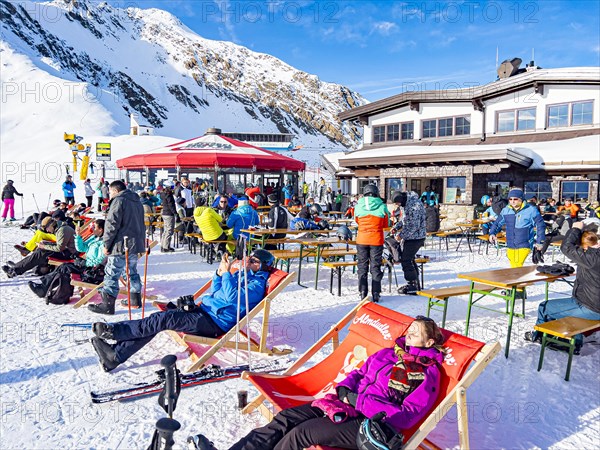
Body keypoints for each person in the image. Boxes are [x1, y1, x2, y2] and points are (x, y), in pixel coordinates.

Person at [193, 316, 445, 450]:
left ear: (429, 342)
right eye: (409, 329)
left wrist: (360, 401)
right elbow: (358, 374)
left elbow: (407, 417)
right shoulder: (387, 354)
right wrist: (346, 389)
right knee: (286, 418)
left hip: (370, 424)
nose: (409, 333)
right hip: (343, 404)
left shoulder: (426, 373)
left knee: (302, 433)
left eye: (416, 332)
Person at [89, 249, 275, 372]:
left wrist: (227, 274)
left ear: (262, 265)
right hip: (205, 311)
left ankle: (115, 332)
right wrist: (219, 273)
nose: (247, 262)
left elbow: (232, 298)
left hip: (213, 323)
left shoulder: (257, 285)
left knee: (164, 319)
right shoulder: (244, 275)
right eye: (248, 258)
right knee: (161, 318)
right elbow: (217, 291)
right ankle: (115, 355)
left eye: (253, 260)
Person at [525, 222, 600, 353]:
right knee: (568, 309)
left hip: (592, 308)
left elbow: (566, 248)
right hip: (593, 304)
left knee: (544, 307)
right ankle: (575, 340)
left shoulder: (592, 258)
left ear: (585, 247)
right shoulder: (593, 256)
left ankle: (539, 336)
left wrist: (576, 228)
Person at [89, 180, 145, 314]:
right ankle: (135, 299)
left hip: (121, 243)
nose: (109, 194)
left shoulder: (119, 200)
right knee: (131, 271)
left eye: (110, 191)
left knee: (112, 273)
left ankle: (107, 305)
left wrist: (106, 244)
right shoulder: (136, 201)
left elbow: (111, 224)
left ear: (115, 190)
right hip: (134, 243)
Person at [28, 219, 106, 297]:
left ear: (100, 229)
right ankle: (44, 287)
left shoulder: (104, 243)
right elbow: (81, 248)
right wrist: (78, 236)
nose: (92, 229)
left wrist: (85, 263)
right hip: (87, 265)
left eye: (94, 227)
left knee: (65, 268)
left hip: (93, 270)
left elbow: (100, 260)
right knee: (64, 267)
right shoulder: (94, 238)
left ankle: (47, 289)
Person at [489, 187, 545, 268]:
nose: (512, 201)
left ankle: (520, 280)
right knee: (514, 268)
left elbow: (540, 225)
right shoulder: (506, 210)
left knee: (517, 266)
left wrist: (540, 242)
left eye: (515, 199)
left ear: (521, 199)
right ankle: (523, 280)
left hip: (524, 244)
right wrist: (492, 233)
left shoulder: (530, 210)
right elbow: (497, 223)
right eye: (510, 199)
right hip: (510, 244)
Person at [2, 217, 76, 278]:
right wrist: (45, 244)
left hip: (69, 254)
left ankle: (16, 269)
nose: (47, 231)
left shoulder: (62, 230)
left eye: (46, 228)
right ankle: (19, 267)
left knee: (42, 252)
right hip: (67, 251)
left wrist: (44, 246)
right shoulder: (60, 228)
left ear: (51, 225)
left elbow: (59, 248)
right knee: (41, 249)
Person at [354, 184, 390, 302]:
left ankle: (362, 292)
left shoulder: (358, 206)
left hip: (362, 239)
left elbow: (357, 221)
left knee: (362, 266)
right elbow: (386, 224)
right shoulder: (382, 206)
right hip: (376, 239)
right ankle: (376, 292)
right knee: (375, 266)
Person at [392, 191, 427, 295]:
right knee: (410, 259)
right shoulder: (407, 204)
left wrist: (401, 235)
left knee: (406, 260)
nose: (397, 205)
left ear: (401, 200)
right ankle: (415, 283)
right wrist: (396, 227)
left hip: (416, 237)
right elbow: (405, 220)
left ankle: (412, 285)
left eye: (397, 203)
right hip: (413, 237)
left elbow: (413, 226)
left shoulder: (414, 205)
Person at [160, 184, 176, 253]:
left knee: (166, 230)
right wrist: (175, 212)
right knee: (169, 230)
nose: (173, 189)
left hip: (165, 213)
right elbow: (171, 205)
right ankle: (166, 247)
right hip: (169, 214)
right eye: (172, 187)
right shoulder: (168, 195)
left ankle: (163, 245)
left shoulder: (163, 194)